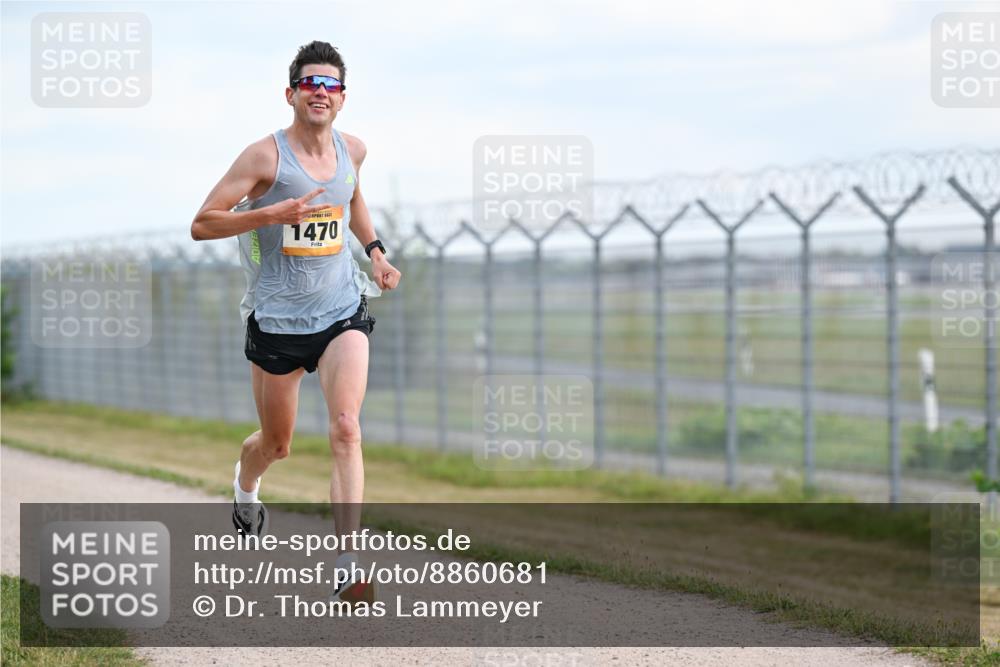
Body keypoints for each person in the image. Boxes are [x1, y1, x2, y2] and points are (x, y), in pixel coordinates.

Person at [190, 40, 401, 605]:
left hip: (341, 311)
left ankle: (347, 561)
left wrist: (375, 251)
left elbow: (350, 198)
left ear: (342, 98)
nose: (320, 92)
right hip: (278, 323)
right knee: (277, 445)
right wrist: (272, 213)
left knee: (346, 428)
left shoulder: (352, 150)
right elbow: (202, 224)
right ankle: (246, 485)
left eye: (330, 84)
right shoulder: (264, 158)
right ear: (291, 94)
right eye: (311, 83)